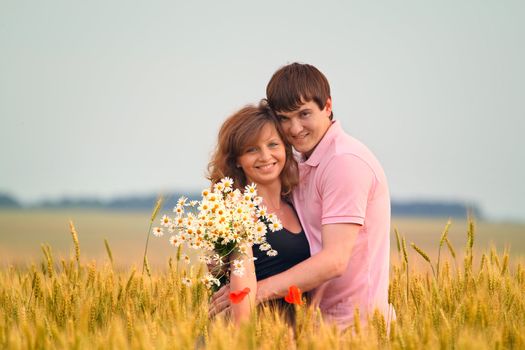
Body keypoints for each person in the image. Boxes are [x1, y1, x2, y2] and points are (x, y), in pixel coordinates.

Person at [211, 63, 393, 330]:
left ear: (327, 106)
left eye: (304, 114)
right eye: (284, 118)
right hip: (311, 327)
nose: (295, 129)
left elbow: (335, 260)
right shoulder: (299, 163)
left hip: (353, 328)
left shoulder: (344, 162)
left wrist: (252, 294)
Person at [207, 100, 310, 324]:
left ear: (285, 147)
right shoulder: (237, 209)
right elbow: (240, 281)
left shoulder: (296, 203)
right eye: (251, 149)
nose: (265, 156)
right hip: (251, 335)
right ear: (237, 160)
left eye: (273, 144)